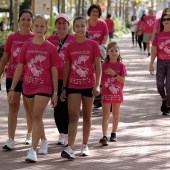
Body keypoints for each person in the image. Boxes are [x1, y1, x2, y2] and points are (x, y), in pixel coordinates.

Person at [8, 14, 59, 162]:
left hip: (44, 86)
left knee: (36, 116)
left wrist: (55, 92)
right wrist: (12, 89)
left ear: (46, 28)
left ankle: (32, 151)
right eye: (36, 26)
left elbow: (54, 71)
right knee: (34, 116)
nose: (39, 28)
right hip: (28, 86)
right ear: (32, 26)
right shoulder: (26, 46)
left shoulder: (50, 48)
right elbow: (19, 68)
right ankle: (43, 140)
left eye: (42, 26)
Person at [60, 16, 102, 159]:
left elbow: (98, 66)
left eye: (82, 26)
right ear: (73, 28)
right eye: (76, 26)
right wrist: (64, 87)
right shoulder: (70, 46)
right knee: (73, 116)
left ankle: (85, 145)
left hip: (89, 85)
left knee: (87, 117)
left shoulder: (93, 45)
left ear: (86, 28)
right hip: (73, 85)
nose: (79, 29)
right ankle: (70, 147)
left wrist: (97, 85)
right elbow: (66, 67)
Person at [0, 9, 34, 150]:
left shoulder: (35, 37)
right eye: (23, 19)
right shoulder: (12, 37)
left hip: (29, 77)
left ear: (32, 22)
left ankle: (30, 133)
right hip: (12, 77)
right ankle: (10, 139)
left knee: (28, 107)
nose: (26, 22)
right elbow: (5, 59)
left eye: (28, 19)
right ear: (19, 21)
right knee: (13, 107)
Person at [47, 13, 75, 146]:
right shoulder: (50, 39)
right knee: (57, 106)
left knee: (69, 107)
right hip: (54, 78)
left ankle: (68, 133)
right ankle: (61, 134)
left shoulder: (74, 39)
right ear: (55, 25)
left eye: (64, 23)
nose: (62, 25)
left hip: (71, 77)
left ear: (68, 25)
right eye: (59, 23)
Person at [99, 41, 127, 146]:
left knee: (115, 113)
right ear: (107, 52)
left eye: (116, 50)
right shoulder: (103, 65)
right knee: (106, 114)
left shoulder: (121, 66)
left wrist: (114, 74)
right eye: (112, 50)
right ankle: (104, 135)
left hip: (117, 93)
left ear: (119, 52)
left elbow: (123, 80)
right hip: (106, 93)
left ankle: (113, 133)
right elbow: (99, 78)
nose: (114, 52)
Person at [87, 4, 109, 108]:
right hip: (87, 50)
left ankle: (98, 95)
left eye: (97, 11)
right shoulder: (85, 23)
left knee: (99, 68)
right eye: (93, 11)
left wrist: (103, 45)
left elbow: (106, 37)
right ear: (89, 13)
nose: (95, 13)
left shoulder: (103, 24)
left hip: (99, 50)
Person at [149, 9, 170, 116]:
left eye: (168, 19)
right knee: (160, 84)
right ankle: (164, 99)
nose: (166, 21)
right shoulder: (158, 35)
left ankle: (168, 105)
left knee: (169, 85)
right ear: (161, 22)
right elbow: (154, 50)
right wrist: (151, 63)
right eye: (164, 19)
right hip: (161, 62)